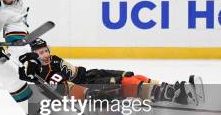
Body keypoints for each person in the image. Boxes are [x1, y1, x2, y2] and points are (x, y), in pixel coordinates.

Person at [19, 38, 202, 106]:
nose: (44, 54)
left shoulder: (55, 59)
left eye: (45, 50)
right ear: (33, 56)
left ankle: (172, 90)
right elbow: (68, 90)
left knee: (132, 77)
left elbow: (83, 73)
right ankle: (173, 95)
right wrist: (92, 96)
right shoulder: (44, 74)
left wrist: (118, 72)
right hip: (89, 87)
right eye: (39, 53)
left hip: (90, 76)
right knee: (129, 84)